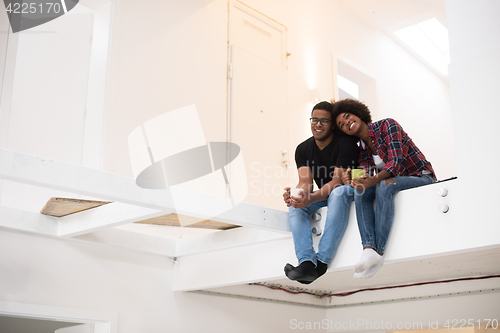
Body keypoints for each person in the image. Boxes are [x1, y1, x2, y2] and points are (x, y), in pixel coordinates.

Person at [332, 98, 436, 279]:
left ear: (358, 113)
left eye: (348, 116)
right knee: (360, 190)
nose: (347, 122)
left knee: (384, 184)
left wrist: (371, 180)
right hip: (395, 181)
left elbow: (395, 164)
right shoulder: (362, 149)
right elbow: (367, 175)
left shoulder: (387, 125)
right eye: (342, 124)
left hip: (422, 176)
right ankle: (368, 248)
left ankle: (378, 253)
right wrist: (353, 180)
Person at [283, 101, 359, 284]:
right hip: (325, 195)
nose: (318, 124)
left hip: (349, 190)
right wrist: (297, 196)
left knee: (337, 193)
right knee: (295, 207)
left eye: (324, 121)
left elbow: (337, 181)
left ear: (332, 124)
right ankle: (307, 263)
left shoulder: (345, 143)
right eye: (314, 120)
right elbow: (305, 182)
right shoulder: (303, 149)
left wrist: (311, 198)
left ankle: (322, 262)